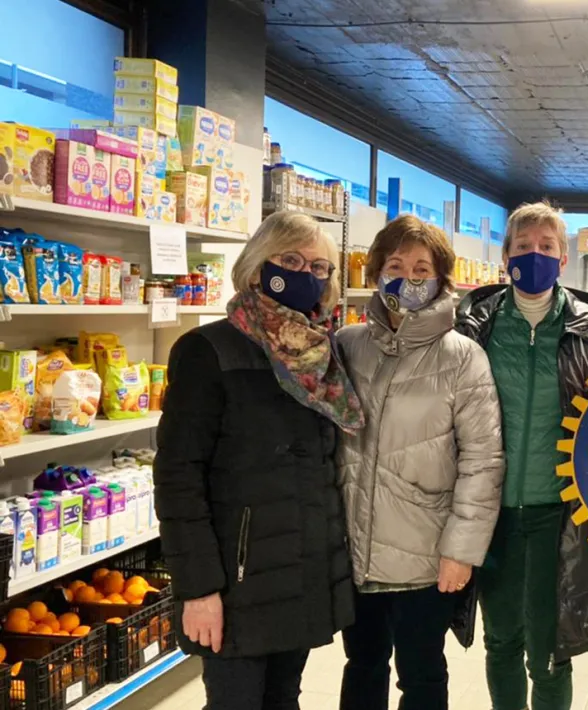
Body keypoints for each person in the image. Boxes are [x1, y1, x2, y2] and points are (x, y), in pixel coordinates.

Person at [154, 211, 363, 710]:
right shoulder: (208, 351)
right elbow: (178, 478)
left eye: (318, 267)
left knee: (283, 699)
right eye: (289, 260)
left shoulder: (320, 354)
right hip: (235, 581)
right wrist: (199, 589)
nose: (304, 274)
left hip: (301, 571)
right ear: (254, 268)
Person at [455, 202, 588, 710]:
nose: (535, 255)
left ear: (564, 257)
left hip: (560, 511)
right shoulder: (475, 326)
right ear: (505, 256)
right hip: (491, 511)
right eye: (523, 246)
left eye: (546, 247)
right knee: (501, 639)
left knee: (551, 649)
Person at [336, 214, 504, 710]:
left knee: (423, 676)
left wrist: (462, 550)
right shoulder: (346, 346)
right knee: (361, 667)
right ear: (375, 272)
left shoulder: (462, 357)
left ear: (440, 279)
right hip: (353, 549)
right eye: (395, 264)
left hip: (426, 556)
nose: (407, 278)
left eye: (421, 268)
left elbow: (483, 459)